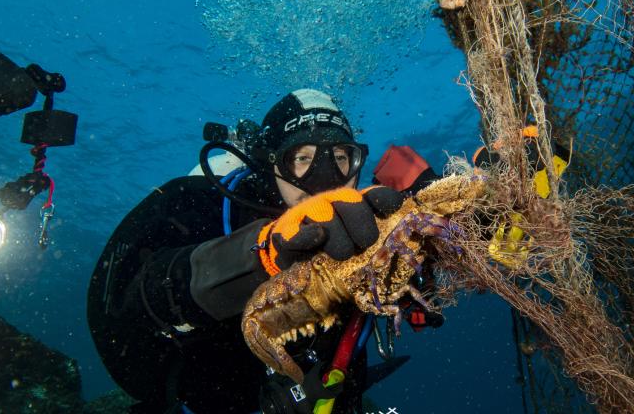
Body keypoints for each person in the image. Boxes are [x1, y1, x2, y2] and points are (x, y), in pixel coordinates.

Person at [86, 89, 441, 414]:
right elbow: (123, 308)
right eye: (301, 158)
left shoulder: (372, 220)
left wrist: (437, 218)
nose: (324, 177)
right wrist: (263, 253)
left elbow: (427, 290)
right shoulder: (196, 206)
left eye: (340, 157)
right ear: (270, 164)